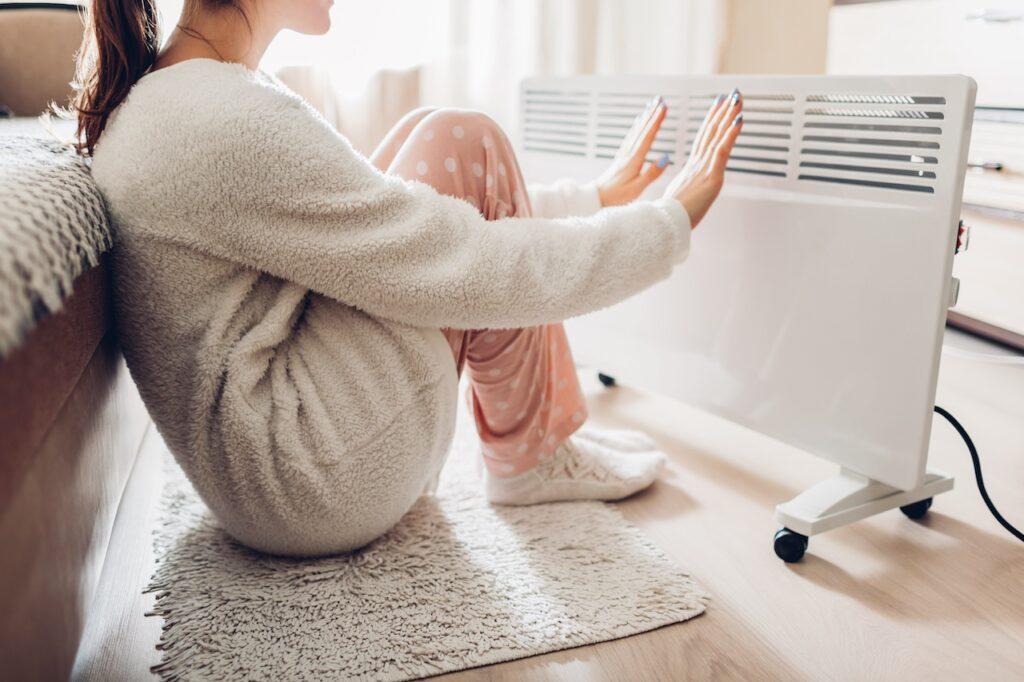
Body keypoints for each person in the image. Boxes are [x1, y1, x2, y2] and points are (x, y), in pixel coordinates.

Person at [77, 0, 744, 556]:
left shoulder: (182, 97)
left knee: (438, 137)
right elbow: (458, 264)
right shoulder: (224, 118)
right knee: (463, 138)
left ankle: (536, 437)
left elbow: (382, 226)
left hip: (266, 474)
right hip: (317, 479)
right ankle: (532, 452)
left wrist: (593, 200)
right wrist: (665, 226)